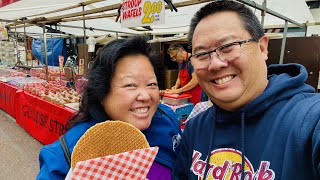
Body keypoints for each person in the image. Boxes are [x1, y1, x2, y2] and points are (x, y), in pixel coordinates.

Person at [173, 1, 320, 179]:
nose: (215, 64)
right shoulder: (195, 128)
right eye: (202, 54)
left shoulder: (307, 119)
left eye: (227, 47)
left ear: (262, 47)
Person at [37, 36, 182, 180]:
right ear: (102, 93)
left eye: (151, 84)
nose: (145, 96)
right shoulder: (67, 153)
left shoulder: (167, 119)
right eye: (130, 85)